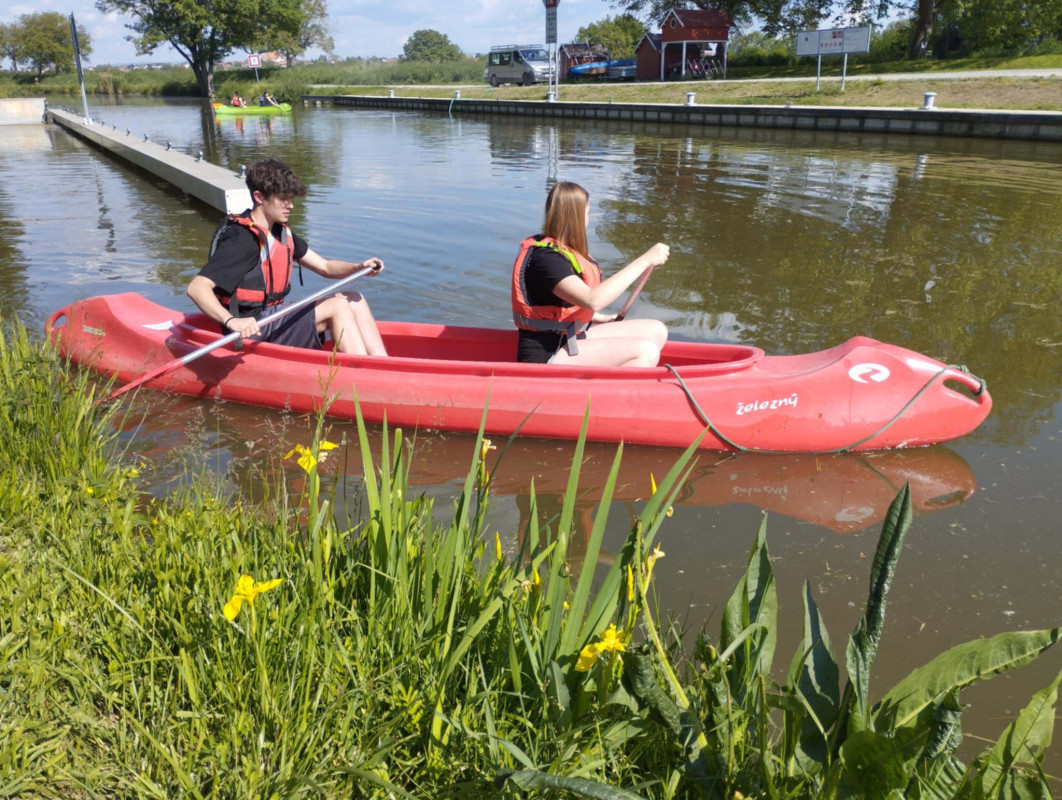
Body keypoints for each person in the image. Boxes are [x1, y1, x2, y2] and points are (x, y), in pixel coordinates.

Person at [187, 158, 388, 356]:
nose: (290, 205)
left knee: (354, 299)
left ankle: (382, 363)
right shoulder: (242, 240)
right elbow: (196, 288)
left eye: (290, 199)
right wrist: (232, 321)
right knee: (338, 306)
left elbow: (325, 267)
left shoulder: (279, 232)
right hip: (251, 328)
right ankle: (360, 369)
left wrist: (358, 267)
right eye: (283, 199)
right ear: (259, 197)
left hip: (273, 318)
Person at [511, 181, 669, 367]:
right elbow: (593, 300)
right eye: (587, 213)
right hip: (547, 355)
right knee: (645, 351)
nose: (588, 218)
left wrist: (599, 318)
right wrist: (645, 260)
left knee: (656, 331)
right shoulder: (545, 259)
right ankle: (606, 386)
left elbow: (560, 306)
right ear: (576, 217)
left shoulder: (563, 252)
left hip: (569, 337)